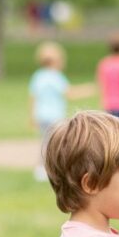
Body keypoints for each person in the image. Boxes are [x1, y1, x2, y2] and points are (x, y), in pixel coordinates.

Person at [28, 41, 93, 181]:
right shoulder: (56, 77)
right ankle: (53, 169)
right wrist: (88, 89)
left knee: (45, 142)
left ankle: (41, 169)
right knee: (57, 144)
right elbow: (69, 93)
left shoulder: (38, 76)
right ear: (55, 61)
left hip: (41, 115)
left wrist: (32, 117)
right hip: (55, 116)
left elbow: (33, 97)